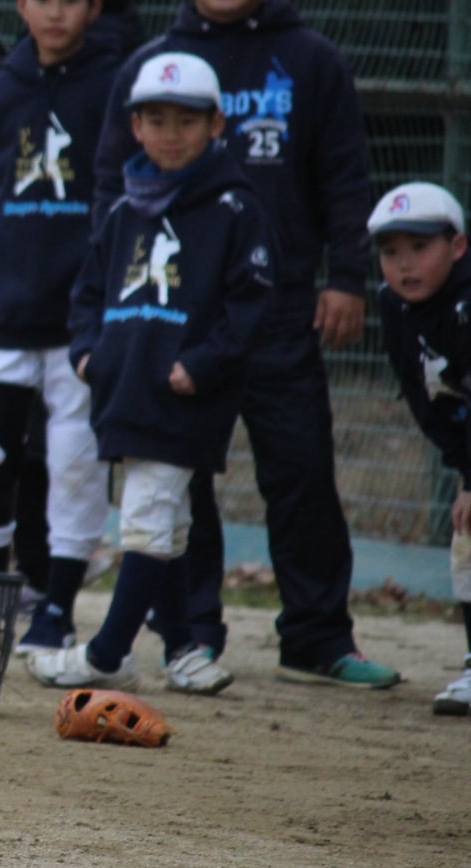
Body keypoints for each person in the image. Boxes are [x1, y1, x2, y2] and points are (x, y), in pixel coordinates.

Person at [92, 0, 402, 688]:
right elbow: (111, 188)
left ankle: (318, 637)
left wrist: (346, 275)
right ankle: (192, 636)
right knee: (179, 484)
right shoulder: (150, 64)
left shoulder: (311, 58)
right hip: (169, 322)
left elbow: (344, 173)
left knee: (301, 472)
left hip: (280, 306)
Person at [31, 51, 275, 694]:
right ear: (135, 127)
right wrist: (89, 355)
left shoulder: (232, 207)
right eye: (156, 119)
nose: (170, 133)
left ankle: (108, 653)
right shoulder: (123, 210)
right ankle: (184, 650)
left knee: (147, 519)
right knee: (166, 527)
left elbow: (253, 302)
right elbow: (86, 294)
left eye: (186, 121)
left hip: (185, 397)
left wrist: (202, 364)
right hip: (126, 389)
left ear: (216, 125)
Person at [0, 0, 117, 656]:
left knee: (74, 461)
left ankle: (57, 609)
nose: (54, 11)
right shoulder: (6, 86)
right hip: (4, 305)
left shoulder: (114, 81)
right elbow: (1, 186)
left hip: (78, 309)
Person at [368, 182, 471, 714]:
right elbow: (421, 394)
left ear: (458, 247)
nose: (404, 264)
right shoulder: (394, 305)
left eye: (420, 248)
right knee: (467, 546)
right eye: (391, 252)